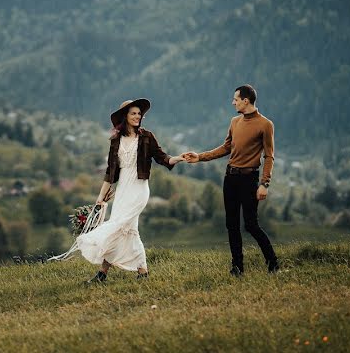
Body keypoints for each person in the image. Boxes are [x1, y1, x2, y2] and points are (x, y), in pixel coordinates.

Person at [77, 98, 182, 283]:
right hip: (123, 188)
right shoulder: (115, 141)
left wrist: (178, 158)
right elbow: (110, 172)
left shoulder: (147, 137)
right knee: (126, 228)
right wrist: (100, 198)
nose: (137, 116)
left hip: (139, 188)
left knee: (120, 226)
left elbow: (162, 157)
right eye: (133, 113)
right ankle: (135, 272)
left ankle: (108, 272)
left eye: (139, 114)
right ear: (125, 116)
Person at [182, 84, 279, 276]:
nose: (232, 102)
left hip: (249, 179)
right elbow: (226, 148)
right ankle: (237, 267)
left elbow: (269, 156)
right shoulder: (235, 122)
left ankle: (273, 263)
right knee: (232, 224)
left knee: (251, 225)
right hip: (230, 178)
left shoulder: (265, 125)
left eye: (235, 99)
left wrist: (264, 183)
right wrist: (199, 157)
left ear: (246, 100)